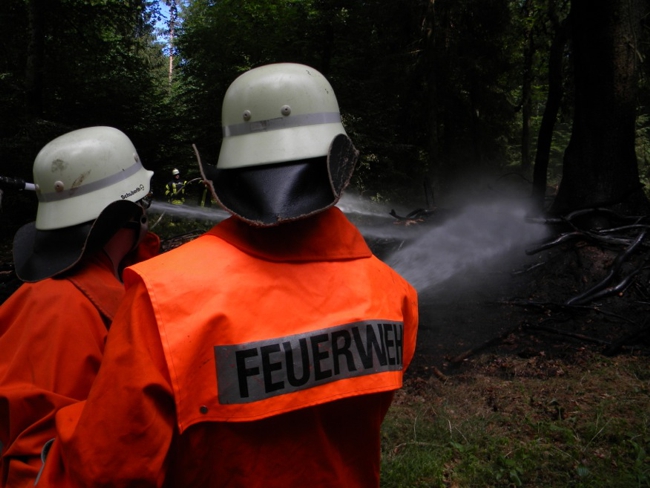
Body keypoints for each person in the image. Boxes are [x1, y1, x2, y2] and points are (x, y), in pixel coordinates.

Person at [37, 63, 418, 487]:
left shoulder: (163, 297)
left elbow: (110, 468)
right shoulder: (394, 294)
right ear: (338, 159)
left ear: (228, 169)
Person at [0, 126, 159, 488]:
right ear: (126, 218)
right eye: (143, 204)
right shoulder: (61, 311)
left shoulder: (96, 292)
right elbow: (36, 465)